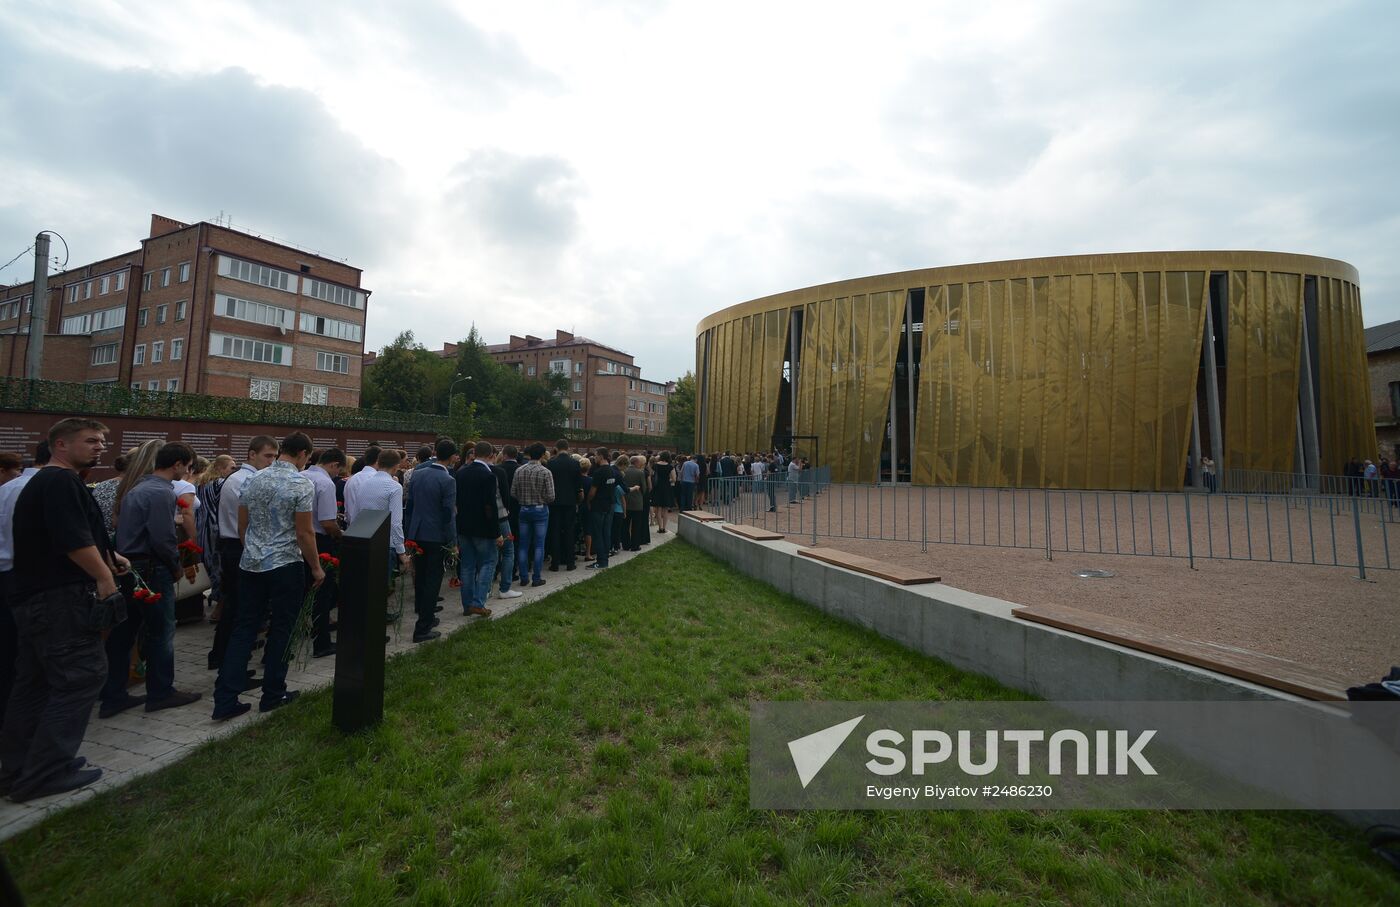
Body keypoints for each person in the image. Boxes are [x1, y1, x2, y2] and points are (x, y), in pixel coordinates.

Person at [0, 418, 130, 801]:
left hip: (37, 596)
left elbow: (75, 534)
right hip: (61, 598)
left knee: (36, 681)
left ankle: (18, 767)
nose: (100, 447)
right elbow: (71, 540)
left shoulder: (46, 482)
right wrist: (105, 578)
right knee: (81, 676)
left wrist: (110, 555)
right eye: (90, 441)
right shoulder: (59, 482)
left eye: (102, 441)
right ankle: (46, 771)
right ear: (60, 444)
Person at [211, 432, 323, 721]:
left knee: (243, 627)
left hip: (251, 563)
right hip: (284, 564)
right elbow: (304, 532)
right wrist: (316, 567)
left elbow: (243, 525)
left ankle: (225, 698)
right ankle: (273, 693)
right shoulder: (301, 483)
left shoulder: (253, 478)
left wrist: (253, 549)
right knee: (282, 629)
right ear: (303, 454)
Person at [102, 441, 202, 717]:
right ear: (178, 464)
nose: (189, 472)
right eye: (188, 466)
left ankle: (113, 693)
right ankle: (160, 692)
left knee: (125, 631)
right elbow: (162, 536)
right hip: (150, 568)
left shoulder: (137, 487)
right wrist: (175, 565)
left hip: (130, 566)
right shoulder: (160, 492)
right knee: (161, 632)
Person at [209, 436, 277, 671]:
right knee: (242, 609)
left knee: (235, 605)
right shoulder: (249, 479)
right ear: (251, 454)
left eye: (274, 457)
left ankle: (222, 654)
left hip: (235, 544)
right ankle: (230, 660)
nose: (271, 461)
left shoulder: (237, 478)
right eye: (267, 456)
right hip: (241, 545)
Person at [0, 442, 47, 727]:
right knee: (28, 657)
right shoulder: (35, 489)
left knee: (11, 653)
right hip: (27, 577)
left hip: (9, 573)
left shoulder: (8, 488)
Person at [405, 438, 456, 643]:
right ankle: (423, 627)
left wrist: (409, 534)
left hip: (417, 533)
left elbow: (410, 506)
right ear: (452, 457)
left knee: (421, 576)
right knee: (433, 580)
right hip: (436, 535)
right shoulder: (448, 480)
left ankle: (424, 613)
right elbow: (448, 514)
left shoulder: (418, 474)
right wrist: (452, 541)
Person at [301, 447, 345, 657]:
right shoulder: (325, 483)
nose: (337, 474)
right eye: (338, 470)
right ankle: (322, 643)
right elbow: (327, 522)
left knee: (303, 589)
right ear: (334, 464)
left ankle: (302, 630)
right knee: (323, 593)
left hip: (299, 538)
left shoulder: (302, 475)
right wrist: (339, 533)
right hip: (320, 540)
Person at [455, 442, 500, 617]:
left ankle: (467, 604)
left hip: (464, 525)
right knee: (488, 562)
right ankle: (478, 602)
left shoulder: (461, 473)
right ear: (490, 455)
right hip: (483, 527)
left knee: (467, 566)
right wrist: (496, 531)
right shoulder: (488, 476)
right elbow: (490, 506)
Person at [194, 455, 235, 620]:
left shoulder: (199, 484)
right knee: (219, 568)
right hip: (215, 529)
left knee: (208, 566)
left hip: (201, 528)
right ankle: (219, 608)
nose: (233, 471)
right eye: (231, 468)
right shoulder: (220, 484)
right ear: (221, 468)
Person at [512, 442, 554, 588]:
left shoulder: (519, 470)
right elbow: (551, 496)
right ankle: (536, 577)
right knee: (539, 545)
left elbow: (513, 492)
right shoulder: (545, 472)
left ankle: (524, 577)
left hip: (523, 509)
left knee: (523, 545)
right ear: (543, 455)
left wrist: (524, 499)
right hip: (540, 510)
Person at [545, 439, 582, 572]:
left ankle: (555, 563)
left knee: (555, 531)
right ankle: (570, 563)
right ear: (568, 448)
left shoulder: (551, 463)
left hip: (554, 502)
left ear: (556, 447)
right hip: (570, 501)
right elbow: (578, 484)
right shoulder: (575, 463)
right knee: (569, 531)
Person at [587, 448, 623, 569]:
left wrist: (588, 501)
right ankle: (605, 559)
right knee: (606, 532)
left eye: (596, 456)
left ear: (601, 456)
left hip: (599, 505)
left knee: (598, 533)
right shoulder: (613, 471)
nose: (595, 458)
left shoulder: (599, 472)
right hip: (610, 504)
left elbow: (592, 492)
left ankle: (601, 561)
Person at [623, 455, 647, 551]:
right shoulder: (640, 473)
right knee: (636, 525)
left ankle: (626, 544)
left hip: (625, 500)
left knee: (625, 525)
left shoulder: (624, 471)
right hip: (637, 502)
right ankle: (635, 545)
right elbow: (644, 488)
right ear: (636, 463)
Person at [651, 452, 675, 533]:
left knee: (658, 509)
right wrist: (668, 480)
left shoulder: (655, 466)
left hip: (657, 488)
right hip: (666, 488)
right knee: (665, 509)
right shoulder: (670, 467)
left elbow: (652, 475)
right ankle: (664, 528)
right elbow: (674, 479)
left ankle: (660, 527)